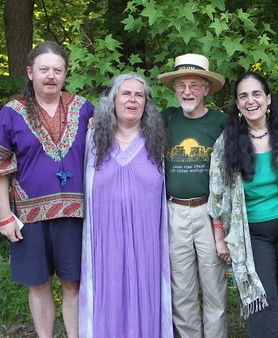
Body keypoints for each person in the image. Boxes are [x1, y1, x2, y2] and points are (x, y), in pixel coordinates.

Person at [0, 41, 93, 338]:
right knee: (38, 283)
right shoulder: (12, 113)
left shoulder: (84, 109)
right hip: (29, 216)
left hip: (76, 214)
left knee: (73, 283)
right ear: (30, 73)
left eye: (57, 70)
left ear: (65, 74)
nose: (51, 75)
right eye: (44, 69)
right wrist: (5, 217)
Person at [207, 71, 278, 338]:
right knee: (262, 302)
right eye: (243, 96)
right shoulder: (227, 142)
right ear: (238, 104)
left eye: (256, 94)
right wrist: (220, 236)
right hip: (253, 235)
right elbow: (217, 195)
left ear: (268, 98)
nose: (250, 100)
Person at [78, 73, 172, 337]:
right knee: (109, 296)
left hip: (147, 243)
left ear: (146, 103)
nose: (132, 100)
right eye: (126, 94)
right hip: (104, 243)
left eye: (139, 95)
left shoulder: (157, 141)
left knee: (146, 292)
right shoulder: (93, 139)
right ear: (113, 100)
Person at [158, 53, 228, 338]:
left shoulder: (221, 123)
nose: (187, 91)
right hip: (174, 212)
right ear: (174, 89)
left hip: (209, 213)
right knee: (182, 291)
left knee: (214, 290)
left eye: (194, 85)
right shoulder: (165, 119)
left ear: (206, 89)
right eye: (181, 85)